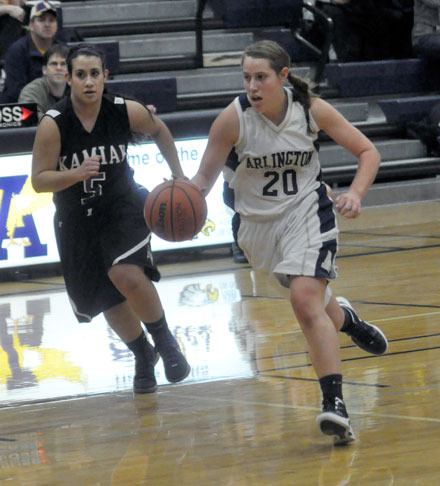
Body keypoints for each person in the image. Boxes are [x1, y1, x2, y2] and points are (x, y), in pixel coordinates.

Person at [191, 40, 388, 445]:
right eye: (246, 77)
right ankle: (348, 321)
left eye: (260, 77)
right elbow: (202, 180)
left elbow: (368, 152)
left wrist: (354, 193)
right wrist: (184, 200)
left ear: (283, 76)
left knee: (303, 299)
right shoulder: (233, 119)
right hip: (257, 229)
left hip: (307, 213)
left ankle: (335, 405)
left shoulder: (310, 109)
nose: (252, 86)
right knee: (315, 305)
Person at [31, 44, 191, 394]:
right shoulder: (54, 124)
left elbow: (160, 130)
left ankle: (166, 344)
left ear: (105, 76)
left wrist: (178, 175)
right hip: (77, 217)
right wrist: (73, 174)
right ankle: (143, 356)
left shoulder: (124, 110)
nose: (89, 82)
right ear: (68, 78)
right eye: (81, 75)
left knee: (124, 272)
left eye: (95, 74)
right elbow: (39, 180)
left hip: (123, 204)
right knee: (107, 298)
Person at [0, 0, 60, 103]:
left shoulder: (62, 50)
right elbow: (15, 92)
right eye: (41, 20)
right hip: (23, 108)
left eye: (51, 20)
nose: (47, 24)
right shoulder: (16, 51)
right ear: (31, 25)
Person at [19, 43, 69, 119]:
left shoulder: (77, 87)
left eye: (63, 64)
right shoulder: (31, 91)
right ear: (44, 70)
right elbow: (28, 117)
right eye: (54, 64)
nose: (59, 68)